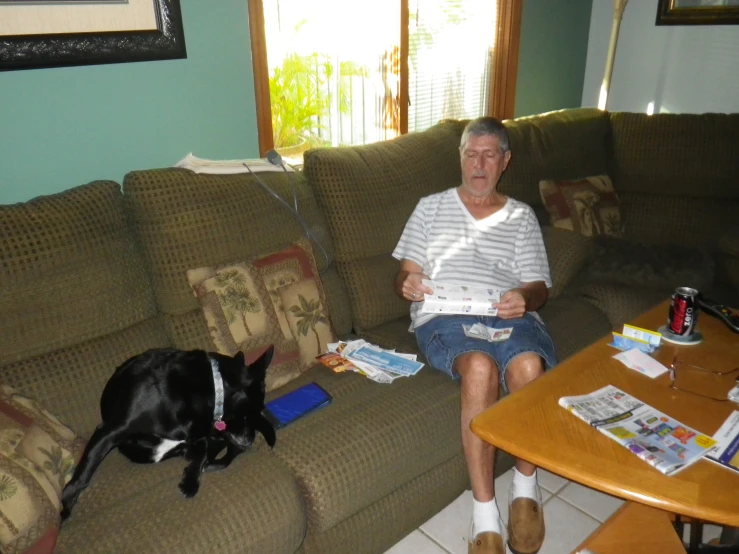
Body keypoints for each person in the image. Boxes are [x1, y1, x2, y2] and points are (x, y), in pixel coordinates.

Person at [392, 117, 556, 554]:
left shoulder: (521, 217)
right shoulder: (430, 207)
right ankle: (484, 512)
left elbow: (540, 288)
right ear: (460, 157)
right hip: (445, 316)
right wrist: (406, 284)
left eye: (488, 155)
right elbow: (405, 276)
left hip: (508, 313)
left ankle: (526, 486)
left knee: (527, 365)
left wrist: (524, 297)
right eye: (470, 154)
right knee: (480, 368)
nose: (478, 164)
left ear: (505, 160)